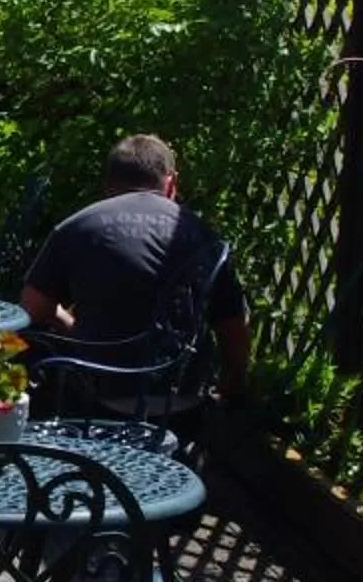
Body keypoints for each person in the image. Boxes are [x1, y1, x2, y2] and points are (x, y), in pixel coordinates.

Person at [19, 134, 251, 403]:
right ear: (171, 182)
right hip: (178, 397)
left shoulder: (78, 226)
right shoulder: (202, 235)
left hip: (93, 390)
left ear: (107, 185)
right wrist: (232, 386)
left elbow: (32, 307)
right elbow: (233, 326)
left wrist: (72, 325)